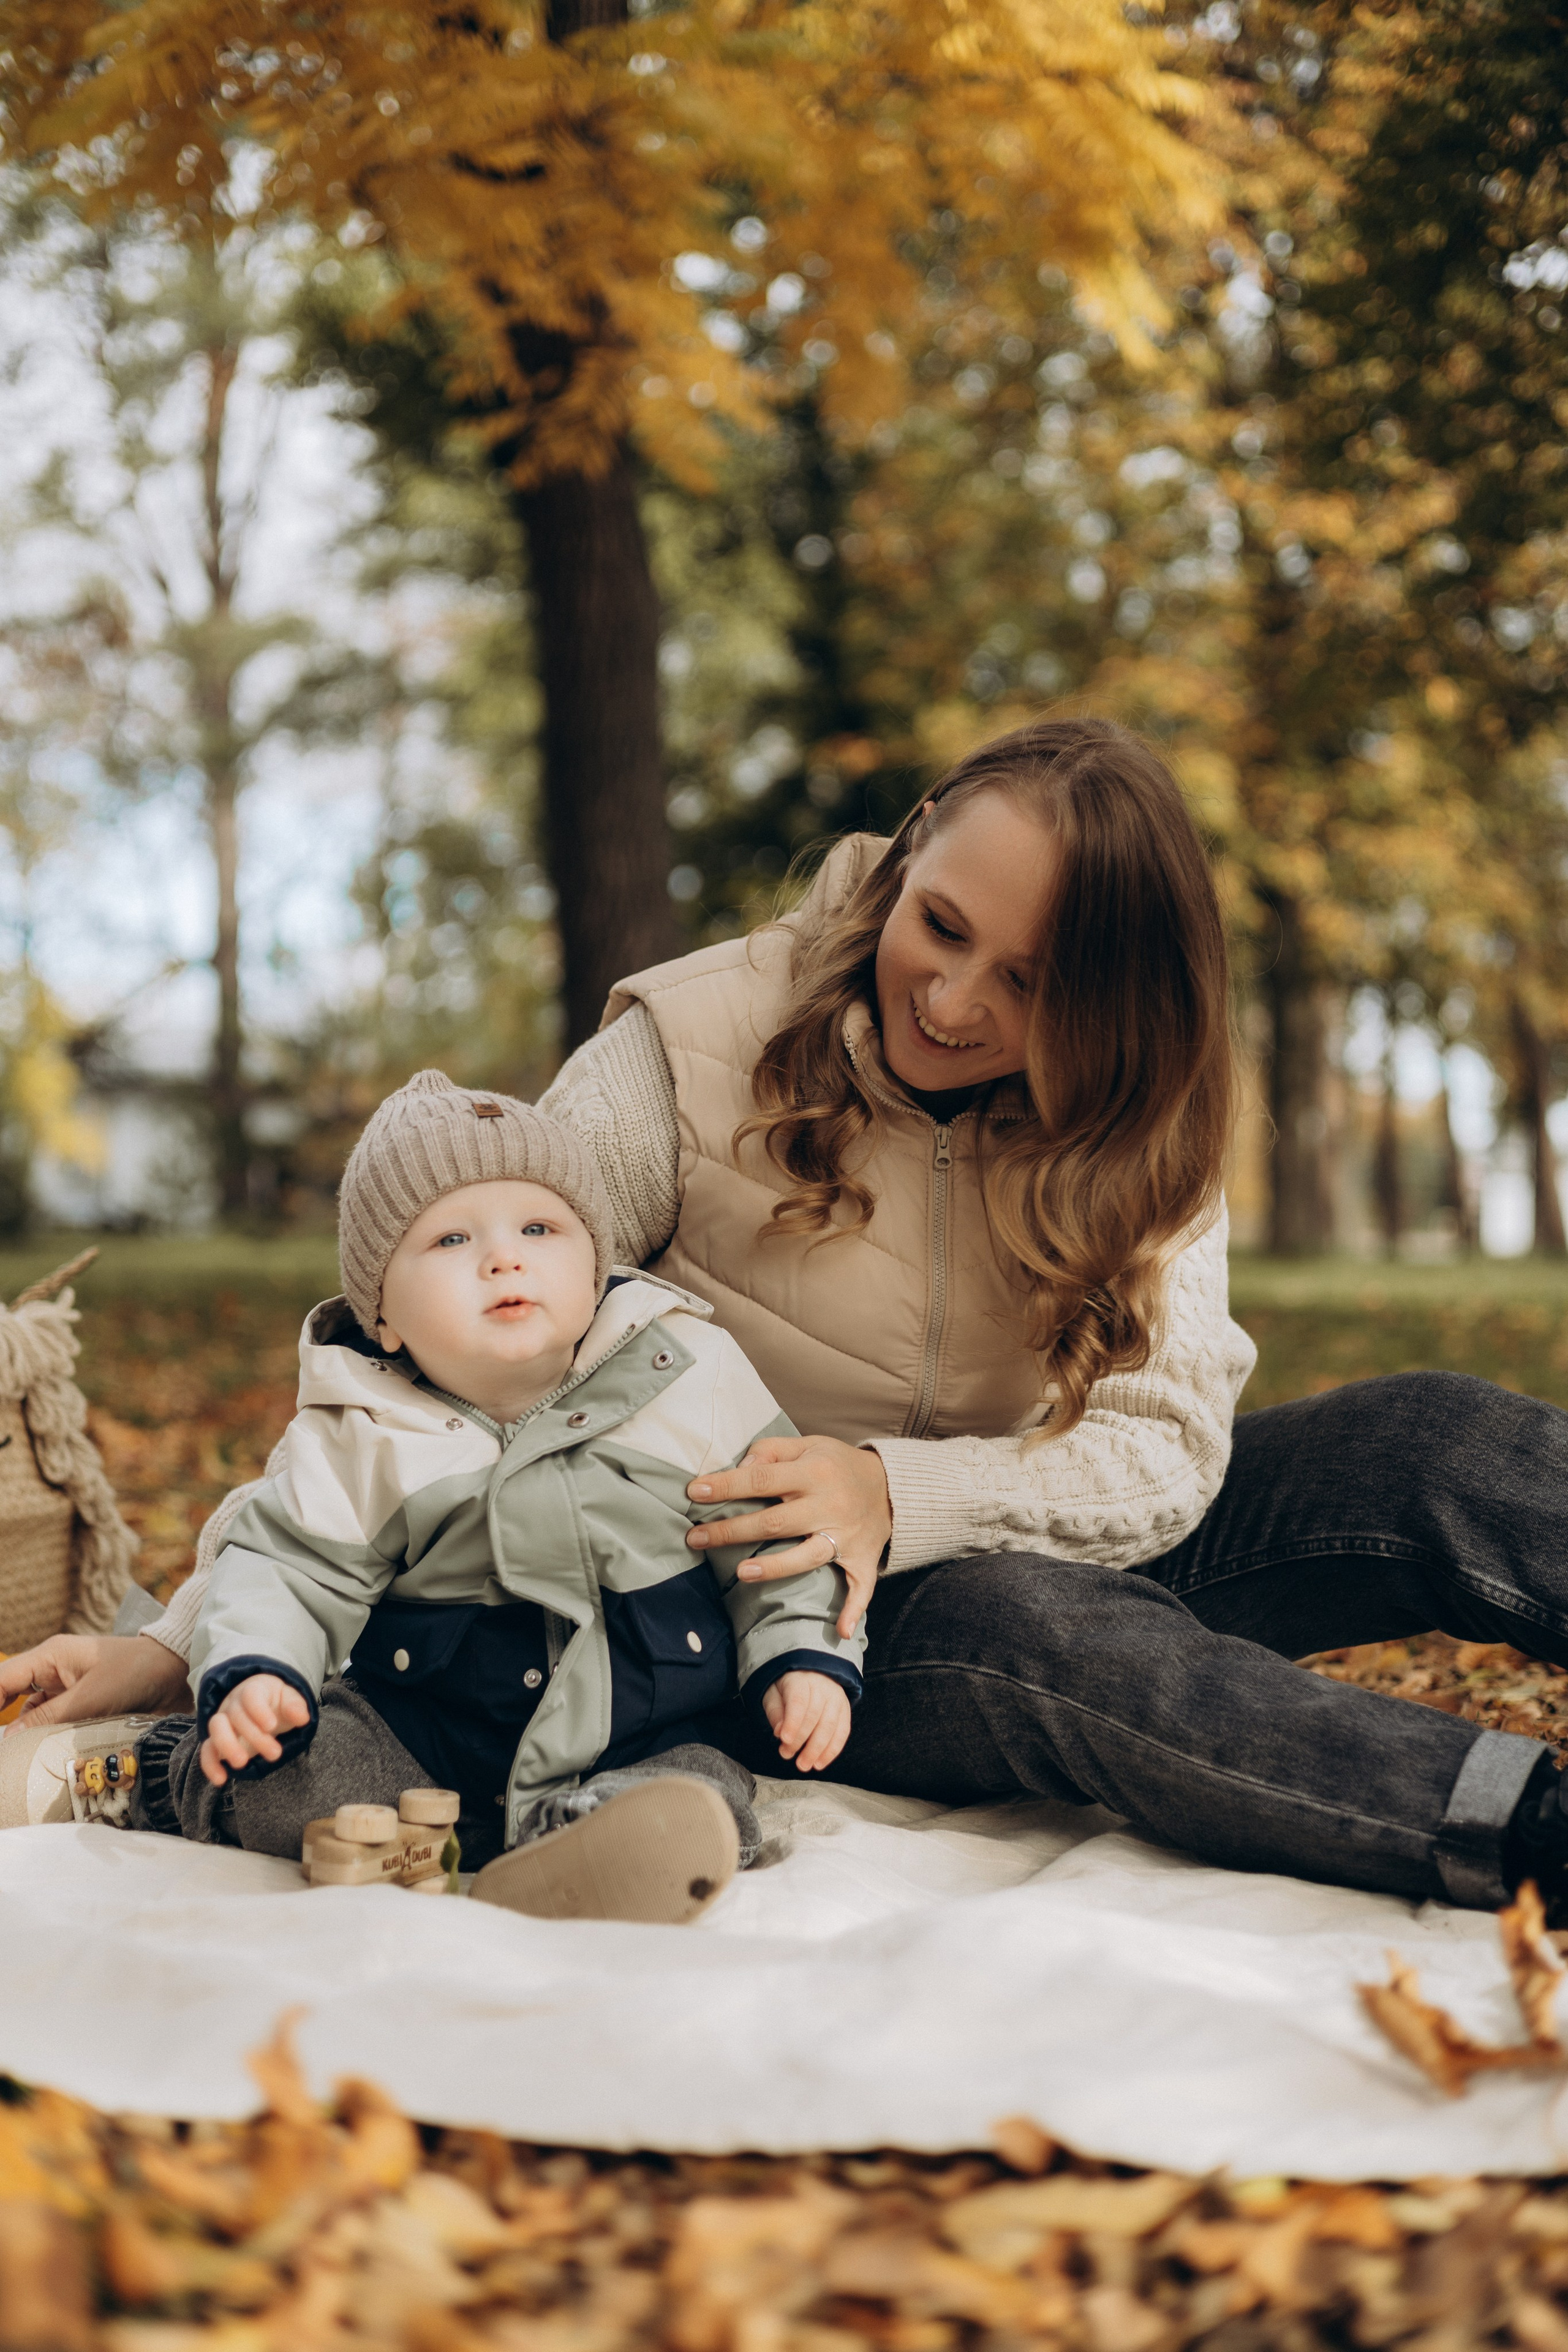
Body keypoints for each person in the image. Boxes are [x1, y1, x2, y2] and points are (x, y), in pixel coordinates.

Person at [12, 714, 1568, 1916]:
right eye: (940, 926)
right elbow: (418, 1367)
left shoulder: (1138, 1117)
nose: (955, 1003)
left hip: (1044, 1514)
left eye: (1027, 984)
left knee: (1427, 1435)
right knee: (1046, 1634)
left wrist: (901, 1489)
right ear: (904, 859)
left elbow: (1166, 1451)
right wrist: (182, 1642)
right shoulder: (687, 1053)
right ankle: (1529, 1832)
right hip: (783, 1612)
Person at [16, 1071, 863, 1924]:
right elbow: (284, 1565)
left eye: (540, 1227)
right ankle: (154, 1772)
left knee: (708, 1785)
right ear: (382, 1314)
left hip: (640, 1726)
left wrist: (802, 1656)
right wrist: (261, 1672)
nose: (504, 1256)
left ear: (596, 1263)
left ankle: (591, 1841)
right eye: (452, 1240)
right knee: (282, 1767)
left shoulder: (686, 1373)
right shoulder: (363, 1429)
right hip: (420, 1738)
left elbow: (777, 1537)